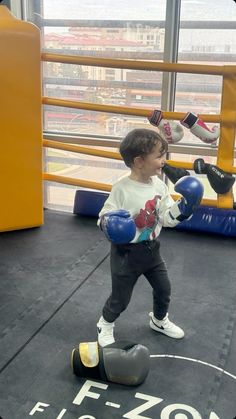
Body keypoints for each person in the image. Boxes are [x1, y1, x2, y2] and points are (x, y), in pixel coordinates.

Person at [96, 128, 203, 347]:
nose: (163, 161)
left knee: (164, 289)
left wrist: (185, 207)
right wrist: (110, 223)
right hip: (126, 254)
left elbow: (165, 217)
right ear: (139, 161)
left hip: (152, 250)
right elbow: (102, 217)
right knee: (120, 299)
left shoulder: (160, 186)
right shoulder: (121, 189)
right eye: (159, 156)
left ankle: (159, 320)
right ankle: (105, 323)